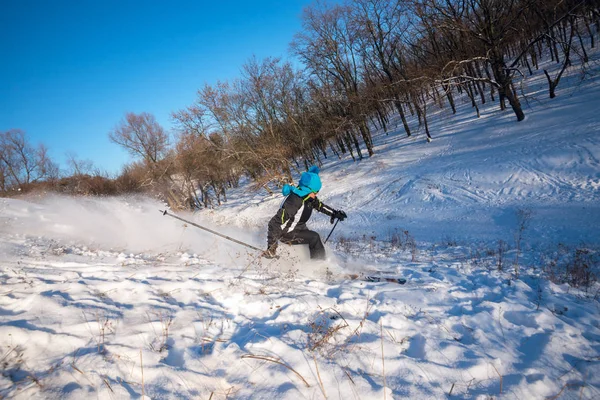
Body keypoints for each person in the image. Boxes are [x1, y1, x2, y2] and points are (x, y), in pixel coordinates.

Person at [264, 166, 347, 260]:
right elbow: (274, 223)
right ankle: (320, 267)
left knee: (313, 240)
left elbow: (319, 205)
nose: (316, 194)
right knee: (314, 237)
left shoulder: (307, 197)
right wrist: (272, 248)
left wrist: (334, 213)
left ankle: (309, 262)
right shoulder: (295, 201)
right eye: (315, 192)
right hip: (286, 233)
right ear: (308, 190)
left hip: (298, 227)